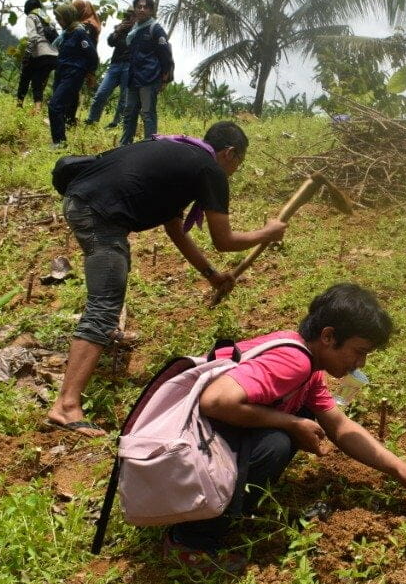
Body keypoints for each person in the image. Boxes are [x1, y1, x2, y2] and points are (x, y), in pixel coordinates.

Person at [165, 283, 406, 570]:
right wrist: (291, 423)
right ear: (328, 336)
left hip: (194, 455)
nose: (359, 364)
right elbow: (215, 402)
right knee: (278, 441)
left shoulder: (309, 370)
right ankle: (189, 541)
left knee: (297, 419)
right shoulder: (294, 361)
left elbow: (339, 426)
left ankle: (222, 508)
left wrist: (398, 468)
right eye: (358, 351)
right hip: (179, 461)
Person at [47, 121, 287, 436]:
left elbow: (175, 229)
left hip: (87, 204)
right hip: (99, 214)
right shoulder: (208, 169)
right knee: (104, 306)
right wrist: (266, 234)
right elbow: (224, 240)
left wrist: (212, 275)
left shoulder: (181, 157)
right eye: (237, 164)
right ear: (229, 153)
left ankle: (95, 351)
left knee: (111, 284)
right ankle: (66, 405)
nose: (233, 172)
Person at [119, 0, 173, 145]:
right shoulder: (134, 31)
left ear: (150, 11)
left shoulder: (155, 29)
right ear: (135, 9)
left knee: (148, 113)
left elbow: (166, 55)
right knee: (129, 112)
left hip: (149, 78)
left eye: (145, 7)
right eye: (139, 7)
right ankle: (124, 145)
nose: (142, 9)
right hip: (133, 78)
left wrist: (164, 78)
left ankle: (149, 146)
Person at [48, 3, 97, 148]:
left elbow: (92, 56)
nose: (58, 21)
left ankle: (60, 143)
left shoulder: (79, 33)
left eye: (60, 18)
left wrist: (91, 74)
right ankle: (59, 140)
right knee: (59, 107)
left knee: (54, 106)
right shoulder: (66, 33)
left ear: (68, 17)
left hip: (74, 73)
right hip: (61, 72)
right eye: (57, 18)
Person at [85, 10, 134, 128]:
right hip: (115, 65)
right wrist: (118, 30)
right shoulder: (120, 28)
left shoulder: (140, 30)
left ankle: (116, 123)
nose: (128, 18)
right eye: (127, 16)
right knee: (101, 93)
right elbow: (110, 42)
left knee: (124, 98)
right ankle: (92, 120)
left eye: (131, 16)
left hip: (130, 66)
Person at [17, 0, 58, 113]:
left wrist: (27, 54)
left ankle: (20, 105)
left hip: (40, 53)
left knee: (25, 76)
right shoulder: (48, 19)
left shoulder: (31, 17)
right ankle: (37, 108)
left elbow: (33, 37)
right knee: (38, 80)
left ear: (28, 8)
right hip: (54, 56)